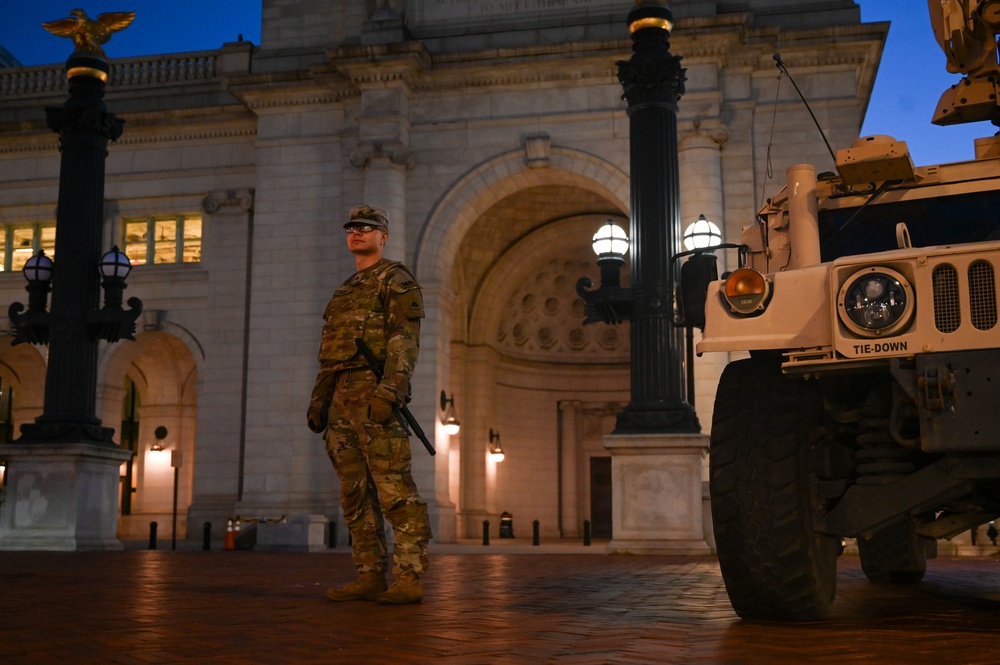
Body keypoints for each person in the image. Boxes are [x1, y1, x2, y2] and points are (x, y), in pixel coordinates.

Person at [307, 204, 432, 605]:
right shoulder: (344, 291)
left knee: (395, 490)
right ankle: (370, 573)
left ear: (384, 236)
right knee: (354, 495)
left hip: (374, 393)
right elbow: (330, 353)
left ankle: (409, 576)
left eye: (366, 228)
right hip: (342, 400)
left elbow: (403, 341)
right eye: (351, 228)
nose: (357, 233)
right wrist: (320, 400)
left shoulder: (396, 281)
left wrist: (390, 392)